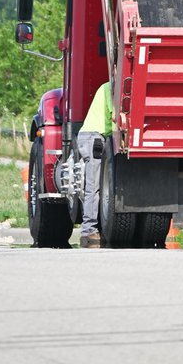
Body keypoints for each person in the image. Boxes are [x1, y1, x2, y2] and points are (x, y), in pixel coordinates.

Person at [76, 82, 113, 248]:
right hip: (94, 137)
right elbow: (115, 118)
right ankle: (88, 232)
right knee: (93, 187)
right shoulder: (111, 88)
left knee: (92, 187)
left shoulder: (105, 86)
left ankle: (89, 231)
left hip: (88, 136)